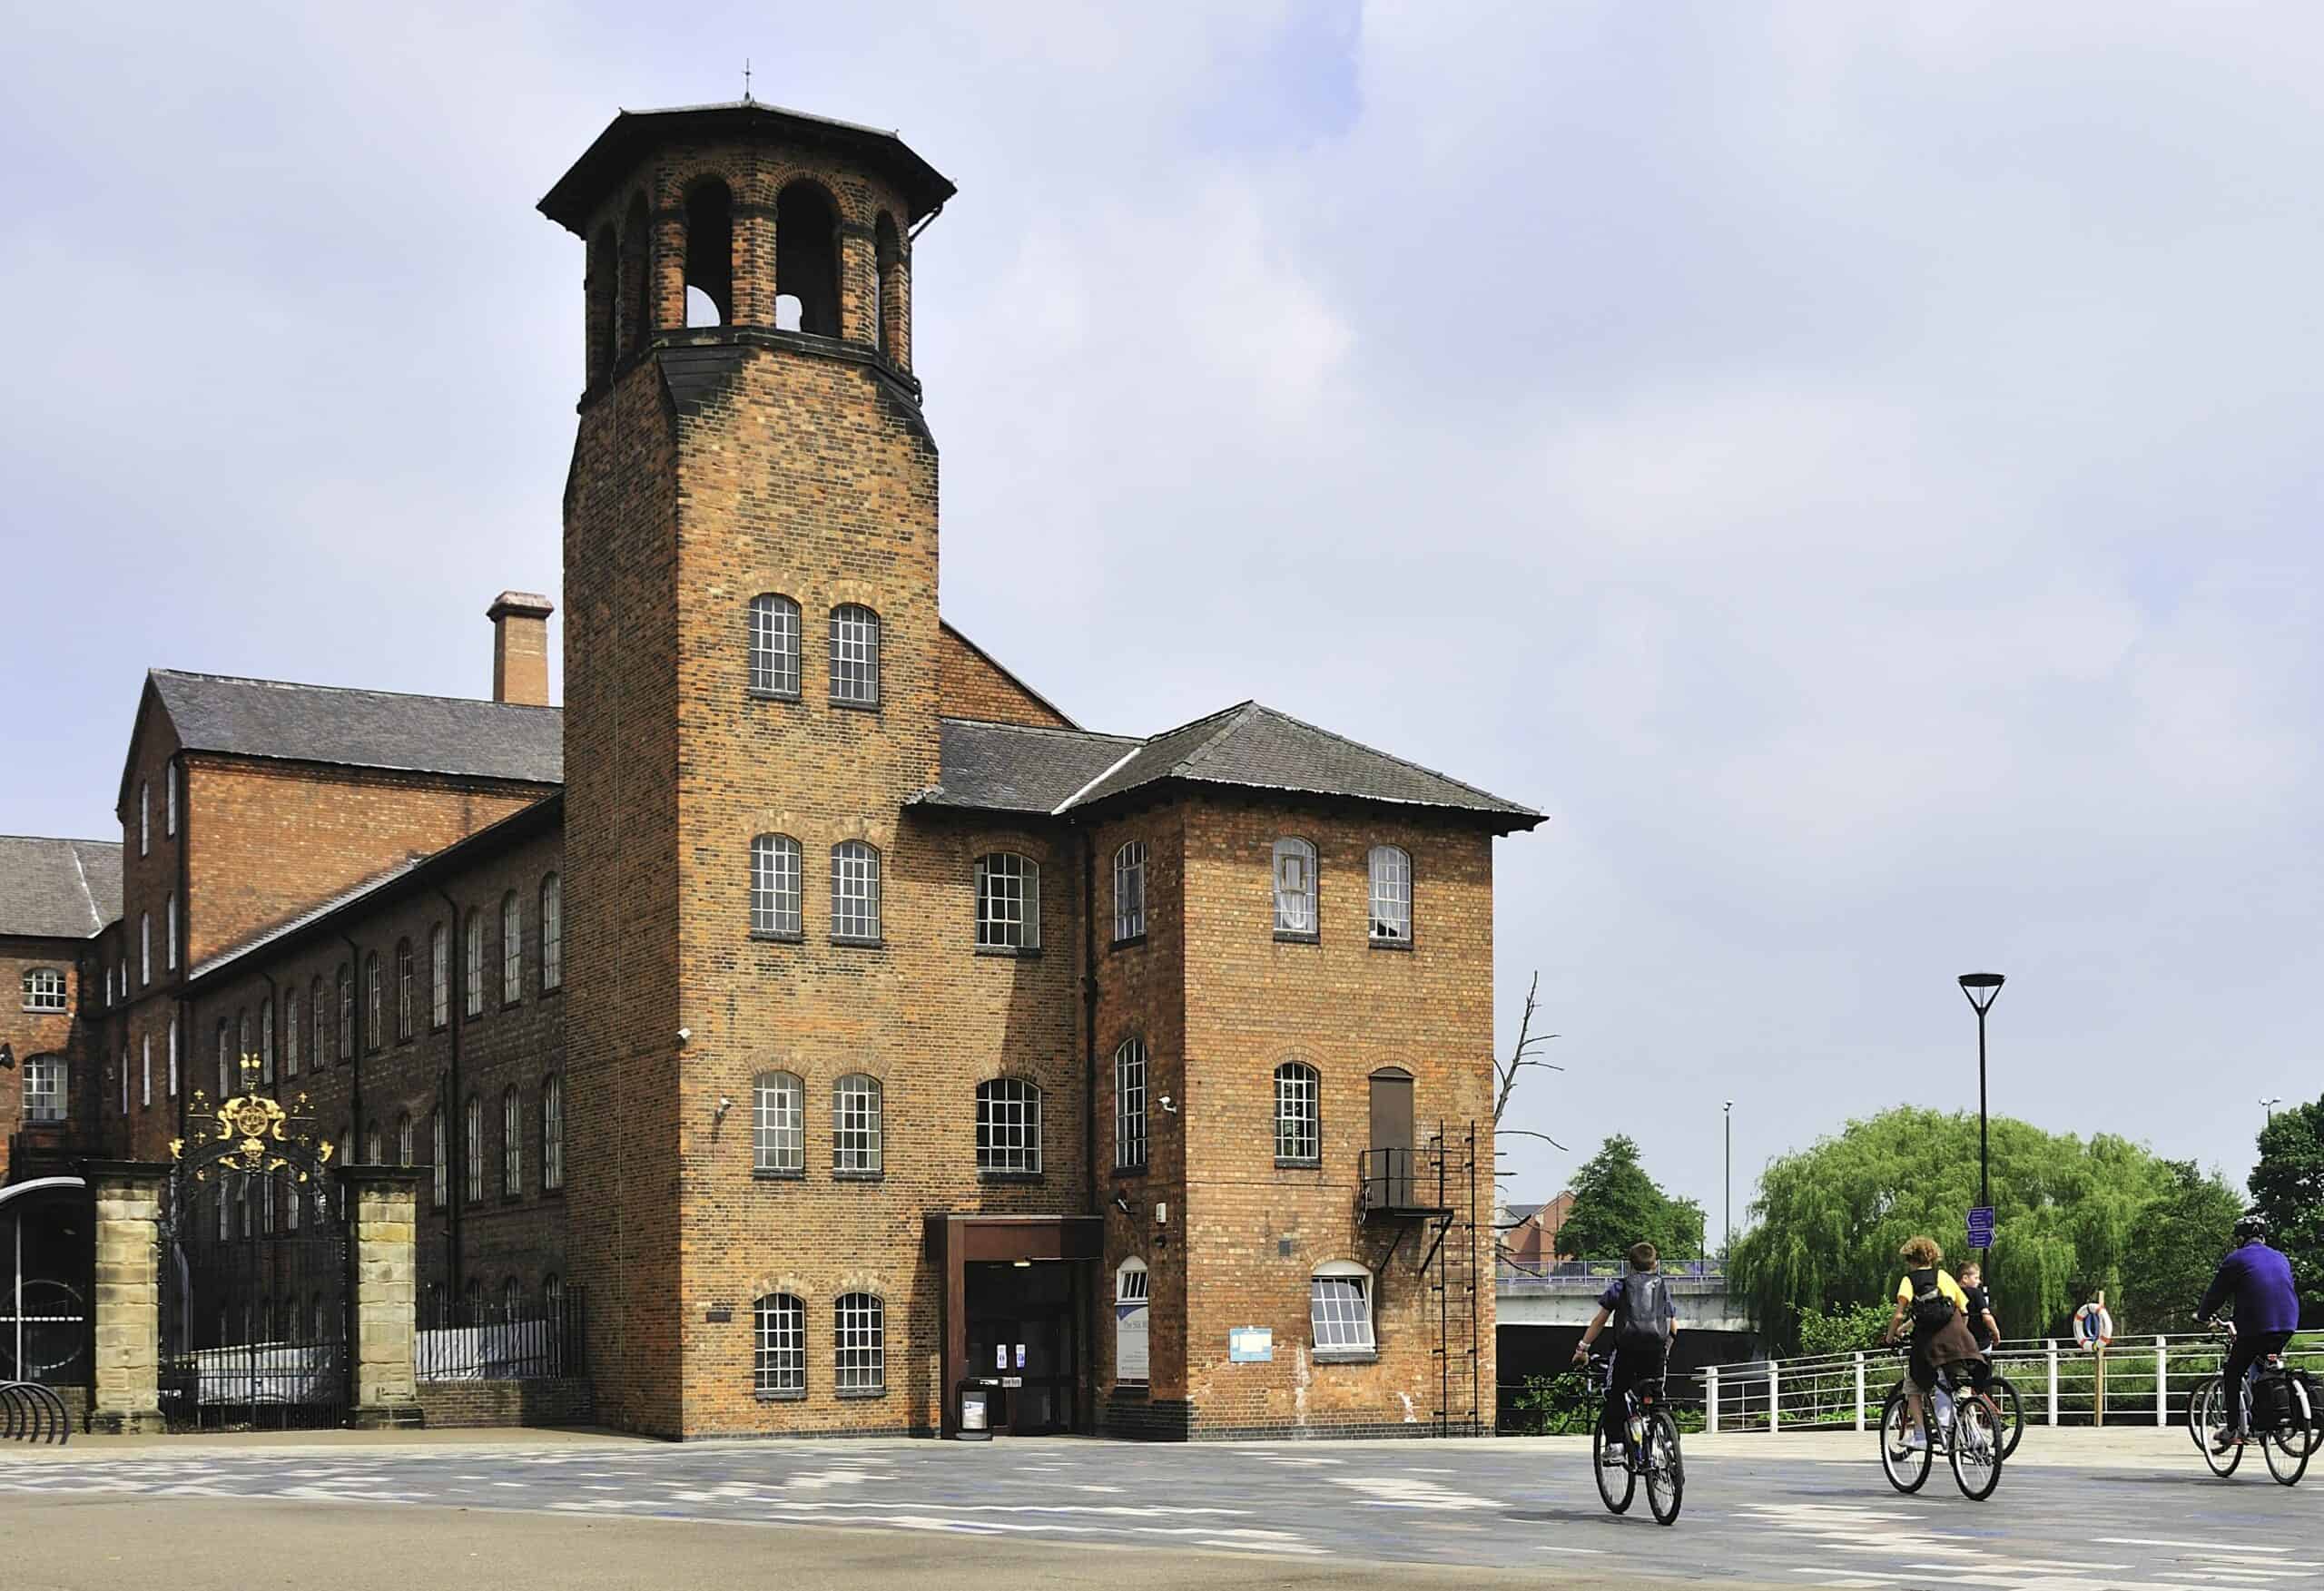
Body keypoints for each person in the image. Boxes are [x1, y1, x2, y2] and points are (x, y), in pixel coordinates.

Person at [2195, 1209, 2300, 1452]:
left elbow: (2215, 1295)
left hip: (2255, 1328)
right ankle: (2274, 1420)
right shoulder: (2281, 1257)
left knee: (2233, 1373)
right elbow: (2270, 1292)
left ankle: (2233, 1429)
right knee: (2267, 1368)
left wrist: (2202, 1316)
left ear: (2241, 1239)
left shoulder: (2236, 1259)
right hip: (2287, 1323)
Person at [1572, 1241, 1679, 1458]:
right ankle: (1666, 1444)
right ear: (1656, 1264)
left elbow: (1599, 1321)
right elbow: (1673, 1326)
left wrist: (1582, 1348)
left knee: (1615, 1392)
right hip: (1656, 1353)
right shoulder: (1661, 1287)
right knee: (1656, 1396)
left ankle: (1616, 1446)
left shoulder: (1620, 1287)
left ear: (1629, 1266)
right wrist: (1665, 1349)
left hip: (1625, 1352)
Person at [1881, 1235, 1983, 1449]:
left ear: (1910, 1259)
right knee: (1959, 1386)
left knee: (1912, 1387)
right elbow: (1963, 1310)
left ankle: (1921, 1436)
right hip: (1960, 1339)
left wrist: (1890, 1338)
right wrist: (1959, 1333)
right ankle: (1972, 1434)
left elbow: (1899, 1314)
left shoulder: (1909, 1280)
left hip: (1930, 1344)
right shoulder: (1943, 1276)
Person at [1958, 1262, 2002, 1355]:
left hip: (1959, 1344)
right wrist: (1996, 1333)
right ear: (1965, 1278)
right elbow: (1987, 1317)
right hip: (1980, 1343)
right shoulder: (1976, 1293)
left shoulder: (1951, 1293)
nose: (1979, 1281)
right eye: (1976, 1278)